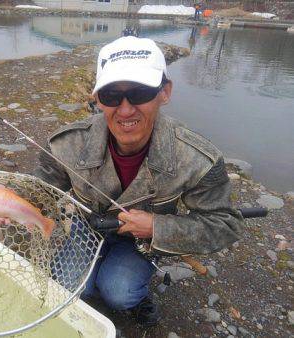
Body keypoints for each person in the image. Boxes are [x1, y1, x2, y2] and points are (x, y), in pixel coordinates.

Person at [33, 36, 243, 326]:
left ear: (164, 92)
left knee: (119, 293)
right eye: (111, 96)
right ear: (96, 99)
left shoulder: (197, 159)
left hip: (139, 241)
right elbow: (36, 191)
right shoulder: (66, 144)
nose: (126, 109)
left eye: (140, 92)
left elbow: (225, 225)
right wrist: (7, 206)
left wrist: (156, 226)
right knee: (71, 287)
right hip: (87, 228)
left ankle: (137, 293)